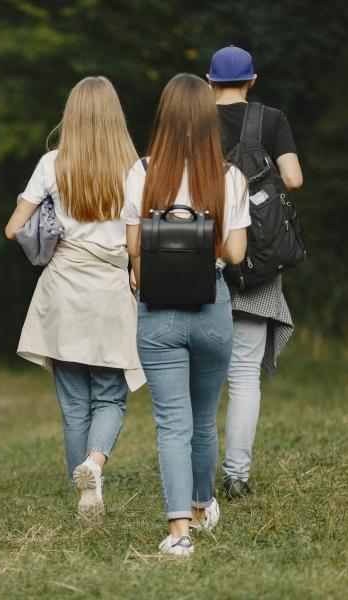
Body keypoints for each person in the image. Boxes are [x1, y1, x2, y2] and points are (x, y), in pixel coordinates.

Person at [122, 73, 250, 556]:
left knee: (171, 421)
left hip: (157, 311)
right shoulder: (230, 176)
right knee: (202, 418)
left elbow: (134, 245)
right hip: (212, 305)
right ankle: (201, 506)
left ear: (165, 116)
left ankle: (179, 532)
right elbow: (235, 253)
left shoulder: (142, 172)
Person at [6, 76, 145, 520]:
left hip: (63, 289)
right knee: (109, 395)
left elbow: (13, 228)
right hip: (110, 289)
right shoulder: (135, 169)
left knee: (72, 402)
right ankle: (95, 464)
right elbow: (138, 238)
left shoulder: (52, 163)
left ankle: (84, 492)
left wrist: (46, 213)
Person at [206, 45, 302, 501]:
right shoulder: (271, 118)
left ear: (208, 81)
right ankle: (236, 477)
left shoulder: (192, 120)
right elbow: (295, 179)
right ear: (252, 79)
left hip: (198, 264)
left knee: (198, 375)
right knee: (243, 374)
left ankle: (192, 474)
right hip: (257, 265)